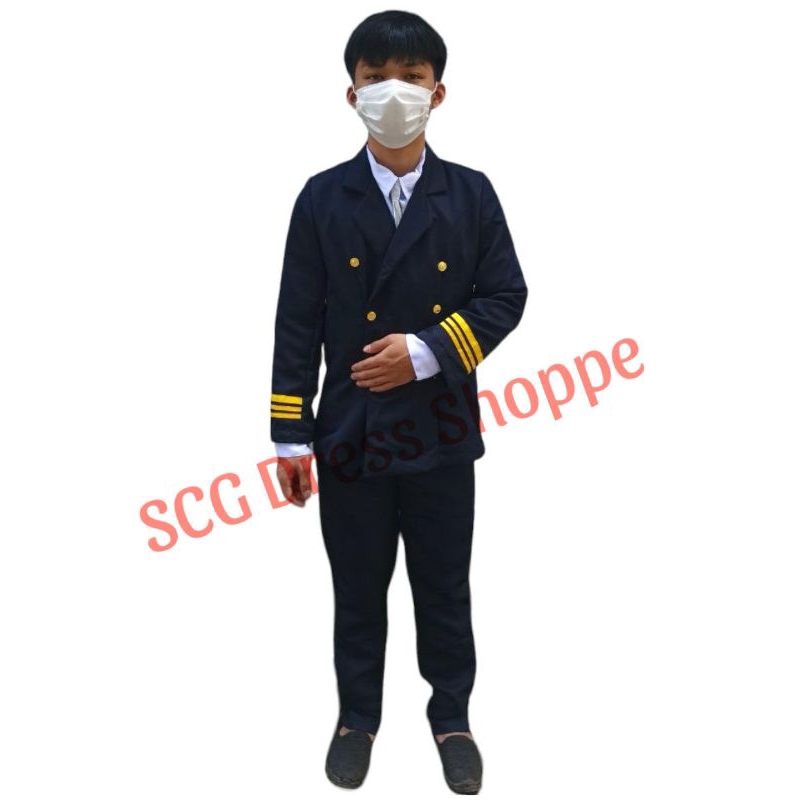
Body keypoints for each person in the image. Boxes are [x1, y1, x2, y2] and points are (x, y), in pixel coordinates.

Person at [270, 10, 527, 794]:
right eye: (375, 77)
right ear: (350, 92)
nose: (393, 92)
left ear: (438, 92)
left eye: (410, 78)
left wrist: (425, 352)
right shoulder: (322, 198)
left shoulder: (470, 194)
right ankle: (357, 719)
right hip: (349, 433)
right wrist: (290, 436)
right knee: (357, 588)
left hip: (440, 429)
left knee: (444, 586)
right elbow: (296, 320)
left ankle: (453, 718)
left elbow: (506, 296)